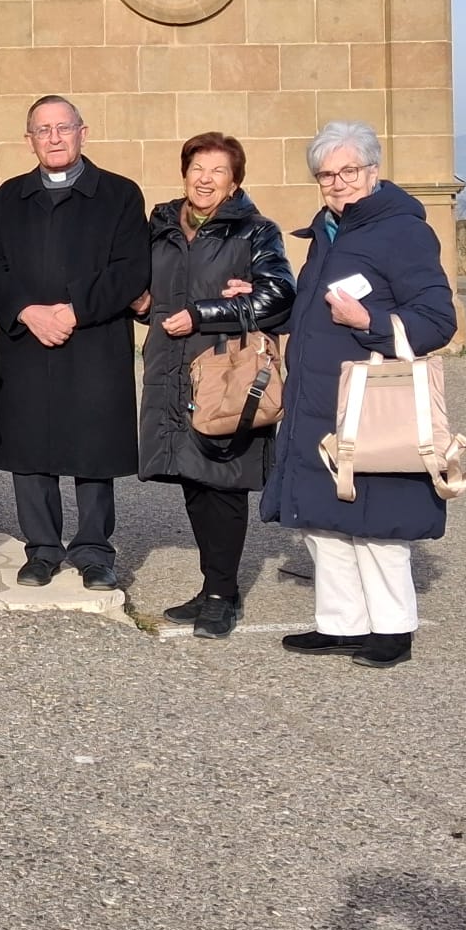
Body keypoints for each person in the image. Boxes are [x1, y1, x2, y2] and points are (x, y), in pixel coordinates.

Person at [261, 122, 458, 668]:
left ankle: (393, 628)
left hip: (372, 402)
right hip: (317, 399)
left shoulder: (402, 231)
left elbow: (438, 320)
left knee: (378, 520)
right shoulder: (327, 232)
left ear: (373, 170)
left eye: (348, 170)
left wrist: (368, 320)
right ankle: (341, 623)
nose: (337, 182)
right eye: (326, 174)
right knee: (322, 518)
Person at [0, 95, 149, 590]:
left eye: (63, 128)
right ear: (29, 139)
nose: (53, 138)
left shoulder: (119, 194)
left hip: (93, 340)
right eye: (43, 130)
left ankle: (94, 551)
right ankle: (42, 548)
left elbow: (130, 268)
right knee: (30, 448)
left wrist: (73, 310)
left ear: (82, 133)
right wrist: (27, 311)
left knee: (94, 450)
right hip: (27, 342)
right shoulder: (9, 199)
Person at [134, 132, 295, 640]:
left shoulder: (255, 231)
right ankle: (212, 586)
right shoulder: (161, 226)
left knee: (223, 482)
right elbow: (148, 288)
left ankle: (223, 595)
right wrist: (139, 301)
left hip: (226, 374)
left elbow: (279, 295)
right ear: (184, 173)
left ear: (235, 182)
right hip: (170, 369)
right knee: (194, 480)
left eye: (218, 171)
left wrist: (205, 313)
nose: (205, 180)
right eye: (197, 169)